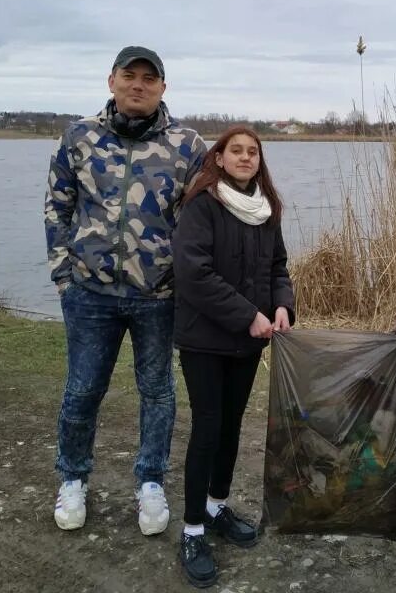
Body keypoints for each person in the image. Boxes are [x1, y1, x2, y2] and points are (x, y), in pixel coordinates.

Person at [44, 45, 207, 536]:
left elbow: (200, 221)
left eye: (149, 79)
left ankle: (150, 482)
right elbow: (58, 205)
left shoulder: (188, 145)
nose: (138, 85)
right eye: (129, 76)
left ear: (163, 87)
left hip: (158, 295)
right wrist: (62, 274)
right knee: (83, 389)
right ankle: (73, 478)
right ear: (111, 81)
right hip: (89, 294)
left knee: (157, 391)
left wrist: (187, 281)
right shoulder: (80, 137)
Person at [170, 125, 295, 588]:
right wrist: (248, 315)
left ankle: (216, 505)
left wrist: (282, 305)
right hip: (205, 339)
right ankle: (192, 529)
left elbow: (278, 266)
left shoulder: (267, 211)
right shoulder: (203, 205)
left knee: (232, 425)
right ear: (219, 159)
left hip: (248, 341)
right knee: (207, 428)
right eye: (235, 151)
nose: (245, 158)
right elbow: (194, 273)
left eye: (252, 152)